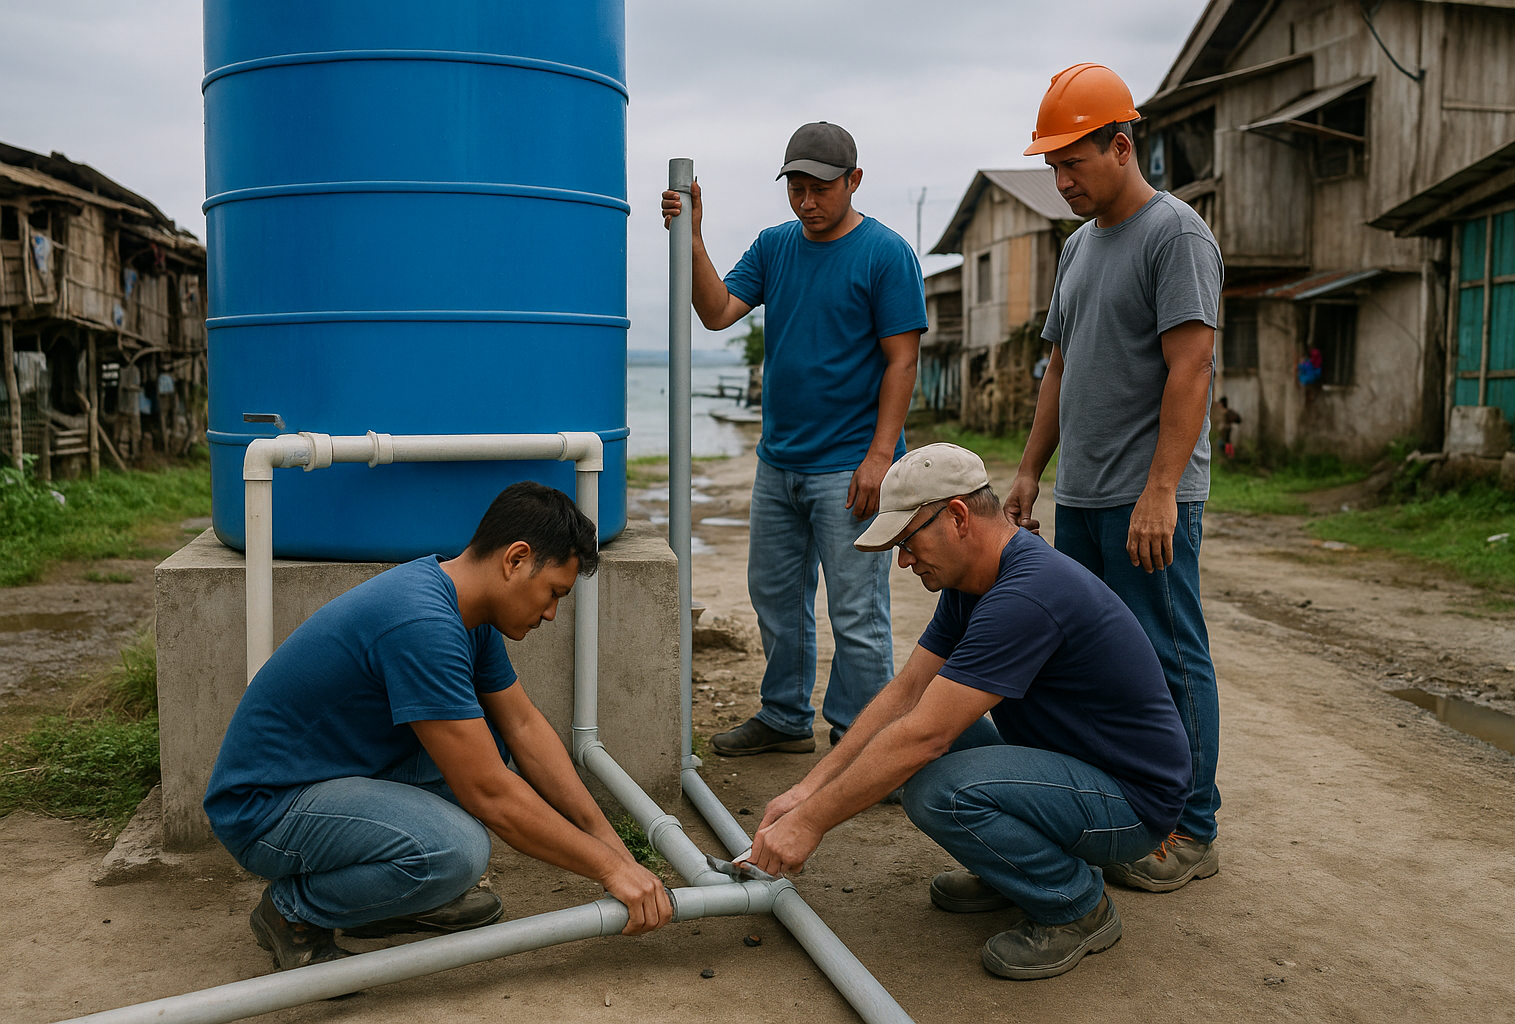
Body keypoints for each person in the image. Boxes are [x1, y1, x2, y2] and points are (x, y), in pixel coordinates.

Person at [745, 443, 1192, 980]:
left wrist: (809, 826)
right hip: (1072, 770)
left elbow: (923, 738)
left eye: (906, 541)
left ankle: (1075, 905)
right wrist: (804, 792)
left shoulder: (1027, 595)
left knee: (938, 786)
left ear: (956, 516)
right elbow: (907, 693)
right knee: (927, 739)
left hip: (1132, 803)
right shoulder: (974, 580)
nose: (903, 561)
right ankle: (1016, 870)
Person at [204, 482, 673, 971]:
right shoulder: (420, 623)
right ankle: (292, 913)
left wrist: (613, 848)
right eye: (553, 592)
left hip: (329, 775)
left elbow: (523, 726)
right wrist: (608, 869)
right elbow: (489, 794)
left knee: (488, 742)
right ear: (515, 559)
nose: (552, 613)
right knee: (455, 851)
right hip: (264, 808)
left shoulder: (467, 612)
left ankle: (394, 899)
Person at [1001, 64, 1225, 893]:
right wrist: (1029, 471)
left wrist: (1162, 489)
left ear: (1122, 145)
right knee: (1092, 667)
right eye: (1053, 167)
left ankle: (1192, 827)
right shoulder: (1076, 245)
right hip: (1085, 499)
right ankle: (1116, 816)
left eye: (1075, 163)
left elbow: (1191, 369)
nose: (1062, 182)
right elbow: (1058, 367)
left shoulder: (1176, 235)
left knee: (1171, 659)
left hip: (1149, 502)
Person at [661, 121, 927, 756]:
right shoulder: (775, 246)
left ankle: (863, 736)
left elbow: (902, 361)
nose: (807, 201)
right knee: (777, 599)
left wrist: (879, 458)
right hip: (777, 463)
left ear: (853, 181)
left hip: (850, 466)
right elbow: (718, 311)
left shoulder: (885, 254)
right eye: (797, 188)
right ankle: (784, 718)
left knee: (857, 612)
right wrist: (693, 242)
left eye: (820, 188)